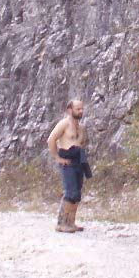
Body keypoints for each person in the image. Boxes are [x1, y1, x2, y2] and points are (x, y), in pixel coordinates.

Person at [47, 98, 91, 233]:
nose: (81, 111)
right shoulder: (64, 124)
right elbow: (51, 139)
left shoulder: (82, 127)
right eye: (78, 109)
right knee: (70, 192)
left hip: (79, 160)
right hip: (68, 160)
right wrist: (57, 158)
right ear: (70, 110)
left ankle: (71, 222)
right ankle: (61, 223)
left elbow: (83, 143)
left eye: (82, 108)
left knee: (77, 193)